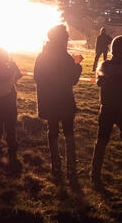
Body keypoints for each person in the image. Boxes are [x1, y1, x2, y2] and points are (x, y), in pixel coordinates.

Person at [90, 36, 122, 188]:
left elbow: (100, 81)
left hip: (108, 108)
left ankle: (95, 173)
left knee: (101, 141)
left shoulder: (105, 66)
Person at [34, 24, 83, 184]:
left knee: (53, 130)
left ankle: (56, 164)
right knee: (68, 131)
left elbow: (37, 78)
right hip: (64, 100)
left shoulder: (42, 56)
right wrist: (77, 65)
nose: (68, 40)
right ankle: (71, 165)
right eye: (66, 37)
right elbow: (72, 80)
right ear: (61, 39)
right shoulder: (65, 58)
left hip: (49, 100)